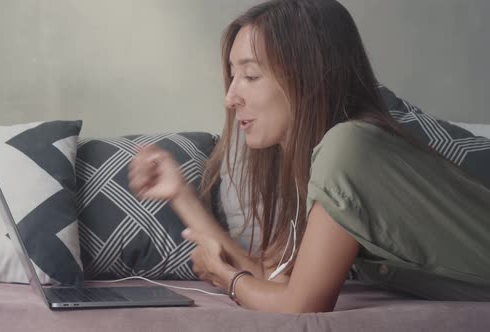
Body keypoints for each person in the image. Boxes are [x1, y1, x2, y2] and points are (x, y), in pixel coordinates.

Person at [128, 0, 490, 313]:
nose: (231, 96)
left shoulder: (349, 148)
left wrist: (227, 279)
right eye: (232, 76)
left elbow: (299, 306)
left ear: (308, 77)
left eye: (251, 75)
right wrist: (182, 197)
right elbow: (272, 281)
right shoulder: (318, 161)